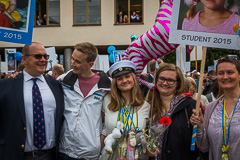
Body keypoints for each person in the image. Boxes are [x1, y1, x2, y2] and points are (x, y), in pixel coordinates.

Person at [0, 42, 64, 160]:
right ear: (24, 59)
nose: (43, 60)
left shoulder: (56, 86)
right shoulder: (6, 86)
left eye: (45, 56)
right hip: (16, 155)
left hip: (50, 155)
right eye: (38, 56)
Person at [58, 42, 111, 160]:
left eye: (78, 62)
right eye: (72, 59)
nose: (72, 63)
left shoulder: (107, 86)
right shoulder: (63, 80)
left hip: (90, 154)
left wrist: (100, 140)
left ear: (90, 64)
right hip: (64, 151)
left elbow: (111, 115)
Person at [190, 56, 240, 160]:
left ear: (239, 75)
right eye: (221, 73)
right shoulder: (211, 107)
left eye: (230, 72)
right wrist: (199, 127)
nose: (225, 77)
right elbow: (204, 147)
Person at [147, 63, 200, 160]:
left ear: (178, 83)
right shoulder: (149, 105)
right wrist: (146, 147)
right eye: (161, 78)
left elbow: (200, 140)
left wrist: (200, 125)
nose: (165, 83)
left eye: (170, 80)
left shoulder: (190, 105)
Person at [100, 60, 150, 160]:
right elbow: (102, 130)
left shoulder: (146, 107)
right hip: (110, 156)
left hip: (135, 157)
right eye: (119, 79)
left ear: (134, 78)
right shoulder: (107, 101)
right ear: (116, 83)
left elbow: (148, 136)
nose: (124, 81)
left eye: (127, 76)